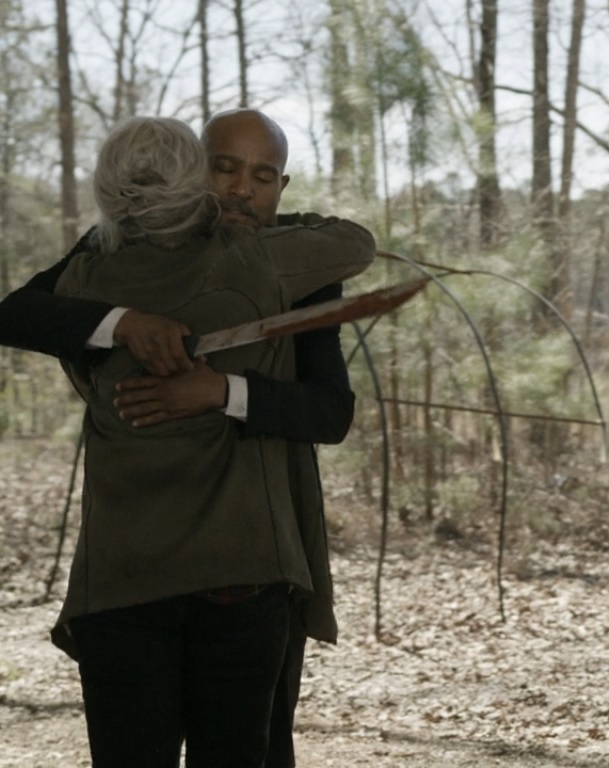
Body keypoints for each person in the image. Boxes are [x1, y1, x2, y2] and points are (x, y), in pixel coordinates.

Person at [0, 108, 349, 767]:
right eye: (225, 168)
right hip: (134, 571)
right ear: (191, 173)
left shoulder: (294, 268)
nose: (242, 190)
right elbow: (18, 312)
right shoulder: (109, 257)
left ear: (282, 186)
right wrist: (124, 322)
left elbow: (330, 413)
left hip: (258, 548)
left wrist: (223, 391)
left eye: (264, 177)